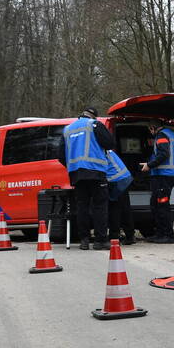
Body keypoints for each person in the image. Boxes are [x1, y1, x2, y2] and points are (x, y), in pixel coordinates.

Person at [64, 106, 114, 250]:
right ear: (93, 116)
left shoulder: (68, 129)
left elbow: (61, 154)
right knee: (100, 206)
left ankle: (84, 240)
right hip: (96, 172)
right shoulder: (94, 125)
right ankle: (100, 240)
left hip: (76, 174)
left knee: (82, 207)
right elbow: (110, 143)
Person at [139, 122, 174, 244]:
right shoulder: (173, 135)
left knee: (162, 205)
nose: (150, 132)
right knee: (156, 204)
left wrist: (149, 165)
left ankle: (168, 235)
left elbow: (164, 154)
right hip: (167, 175)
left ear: (154, 127)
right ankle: (160, 233)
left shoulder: (161, 136)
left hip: (164, 175)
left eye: (150, 129)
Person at [106, 149, 136, 245]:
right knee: (125, 209)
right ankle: (130, 235)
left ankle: (114, 236)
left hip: (116, 181)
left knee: (114, 209)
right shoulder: (107, 149)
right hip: (124, 178)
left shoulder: (98, 150)